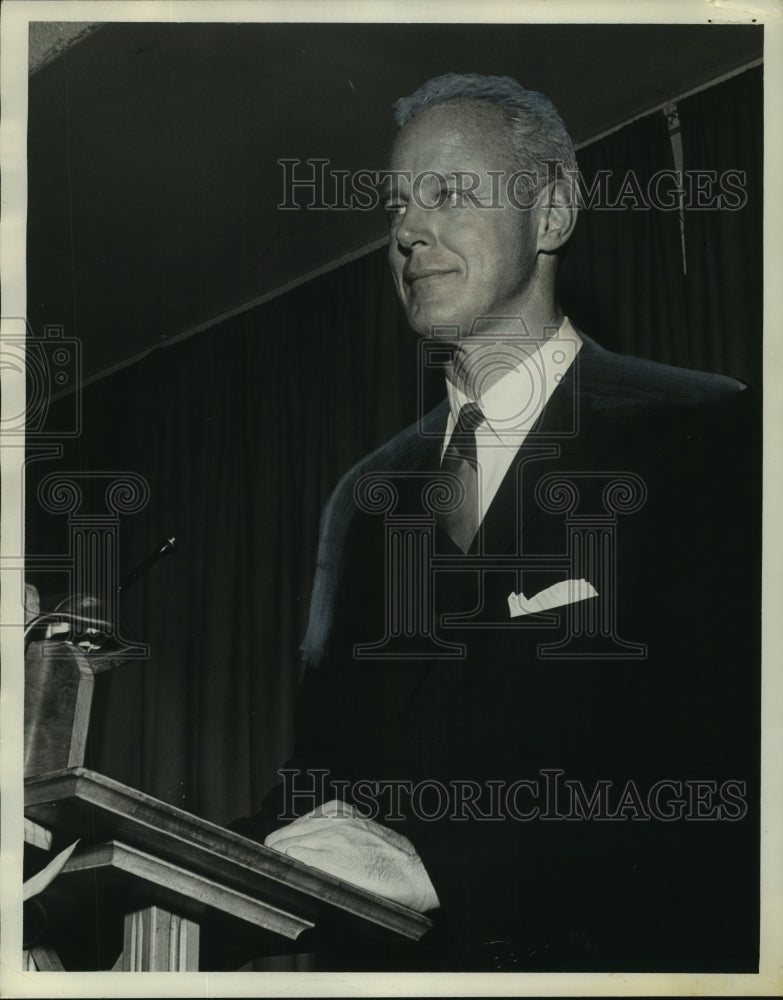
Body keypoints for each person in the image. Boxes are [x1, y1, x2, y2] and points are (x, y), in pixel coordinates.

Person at [232, 73, 760, 972]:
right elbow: (326, 788)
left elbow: (737, 777)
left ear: (551, 214)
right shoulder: (366, 503)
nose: (405, 231)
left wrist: (448, 865)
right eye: (396, 205)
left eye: (446, 192)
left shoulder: (713, 438)